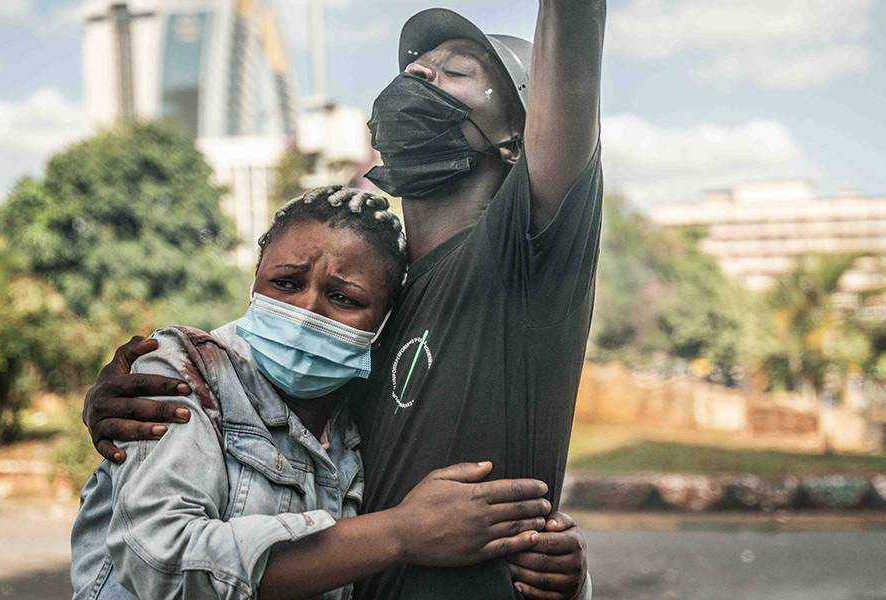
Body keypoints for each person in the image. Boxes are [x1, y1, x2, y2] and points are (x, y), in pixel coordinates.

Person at [83, 3, 605, 599]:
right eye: (416, 69)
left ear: (519, 136)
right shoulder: (368, 318)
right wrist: (123, 399)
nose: (420, 76)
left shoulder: (523, 254)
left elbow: (574, 47)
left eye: (457, 71)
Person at [71, 187, 557, 600]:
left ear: (384, 325)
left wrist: (559, 568)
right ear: (255, 283)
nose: (306, 310)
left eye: (343, 297)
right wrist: (402, 533)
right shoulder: (185, 371)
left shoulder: (370, 415)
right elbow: (159, 561)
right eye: (285, 283)